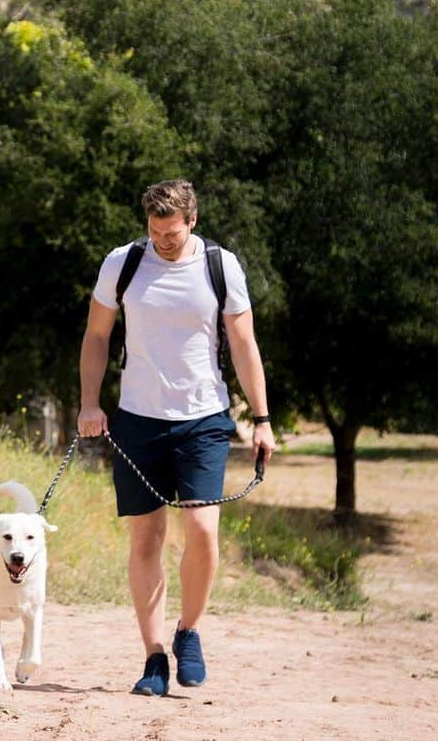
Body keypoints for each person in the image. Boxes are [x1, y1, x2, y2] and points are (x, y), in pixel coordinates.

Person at [77, 179, 275, 696]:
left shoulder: (219, 265)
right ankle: (153, 658)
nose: (163, 241)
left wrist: (262, 418)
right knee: (147, 539)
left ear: (192, 221)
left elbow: (243, 341)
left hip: (204, 417)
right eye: (155, 231)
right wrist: (90, 403)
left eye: (172, 233)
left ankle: (188, 629)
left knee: (203, 531)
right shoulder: (122, 263)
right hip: (137, 418)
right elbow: (97, 336)